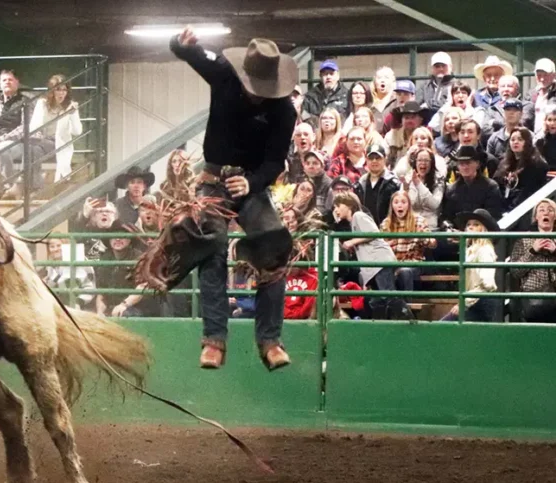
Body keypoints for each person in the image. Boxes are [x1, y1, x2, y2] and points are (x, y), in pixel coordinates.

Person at [147, 28, 299, 370]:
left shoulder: (284, 111)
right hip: (213, 180)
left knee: (274, 244)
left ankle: (270, 340)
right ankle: (214, 339)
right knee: (212, 245)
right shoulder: (225, 77)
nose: (258, 96)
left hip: (251, 184)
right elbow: (192, 54)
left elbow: (275, 161)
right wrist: (180, 42)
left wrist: (252, 182)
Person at [332, 193, 411, 320]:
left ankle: (409, 322)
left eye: (338, 206)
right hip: (374, 265)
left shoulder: (359, 215)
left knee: (388, 295)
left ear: (348, 205)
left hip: (380, 262)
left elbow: (374, 233)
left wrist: (353, 241)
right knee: (376, 301)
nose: (336, 210)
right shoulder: (353, 222)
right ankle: (379, 326)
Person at [509, 199, 556, 323]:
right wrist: (532, 251)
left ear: (555, 217)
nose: (546, 213)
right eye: (541, 210)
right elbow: (515, 272)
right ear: (536, 217)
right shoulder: (524, 240)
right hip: (533, 301)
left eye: (550, 210)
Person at [440, 209, 499, 322]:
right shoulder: (473, 249)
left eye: (476, 225)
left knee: (446, 324)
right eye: (468, 225)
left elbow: (487, 284)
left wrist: (463, 302)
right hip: (475, 299)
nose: (470, 227)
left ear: (483, 229)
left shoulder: (484, 250)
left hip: (480, 301)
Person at [29, 74, 83, 183]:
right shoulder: (42, 104)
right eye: (58, 89)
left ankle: (35, 184)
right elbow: (34, 127)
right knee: (33, 150)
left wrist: (72, 114)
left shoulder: (70, 106)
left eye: (64, 90)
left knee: (34, 150)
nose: (61, 93)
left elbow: (77, 131)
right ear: (52, 91)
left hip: (59, 143)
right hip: (42, 140)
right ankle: (34, 185)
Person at [381, 190, 435, 291]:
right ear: (392, 206)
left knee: (404, 271)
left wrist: (423, 238)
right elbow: (380, 247)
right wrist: (387, 245)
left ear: (408, 205)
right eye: (396, 202)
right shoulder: (386, 223)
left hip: (414, 263)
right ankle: (388, 304)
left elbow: (432, 243)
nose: (399, 205)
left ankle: (406, 305)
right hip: (392, 263)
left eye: (403, 202)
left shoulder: (419, 221)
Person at [440, 145, 504, 225]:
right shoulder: (451, 190)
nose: (465, 167)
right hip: (457, 234)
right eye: (461, 164)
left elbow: (494, 216)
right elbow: (446, 216)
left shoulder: (491, 187)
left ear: (477, 164)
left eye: (468, 163)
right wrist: (449, 228)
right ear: (457, 166)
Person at [494, 127, 549, 213]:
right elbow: (496, 185)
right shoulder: (504, 163)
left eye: (520, 139)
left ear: (527, 142)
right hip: (504, 207)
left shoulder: (536, 165)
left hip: (524, 209)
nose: (515, 142)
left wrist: (511, 211)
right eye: (512, 139)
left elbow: (527, 193)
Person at [355, 143, 400, 219]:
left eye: (378, 158)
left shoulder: (394, 183)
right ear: (366, 159)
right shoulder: (360, 184)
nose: (374, 161)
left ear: (385, 159)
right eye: (371, 158)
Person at [403, 147, 445, 229]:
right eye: (419, 160)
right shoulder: (408, 179)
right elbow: (403, 206)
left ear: (431, 163)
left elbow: (434, 204)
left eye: (426, 160)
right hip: (410, 226)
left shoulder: (438, 180)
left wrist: (418, 184)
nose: (423, 163)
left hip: (430, 228)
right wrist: (406, 190)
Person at [524, 59, 556, 134]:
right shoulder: (529, 95)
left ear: (554, 75)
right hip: (533, 139)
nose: (542, 78)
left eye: (546, 75)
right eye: (539, 75)